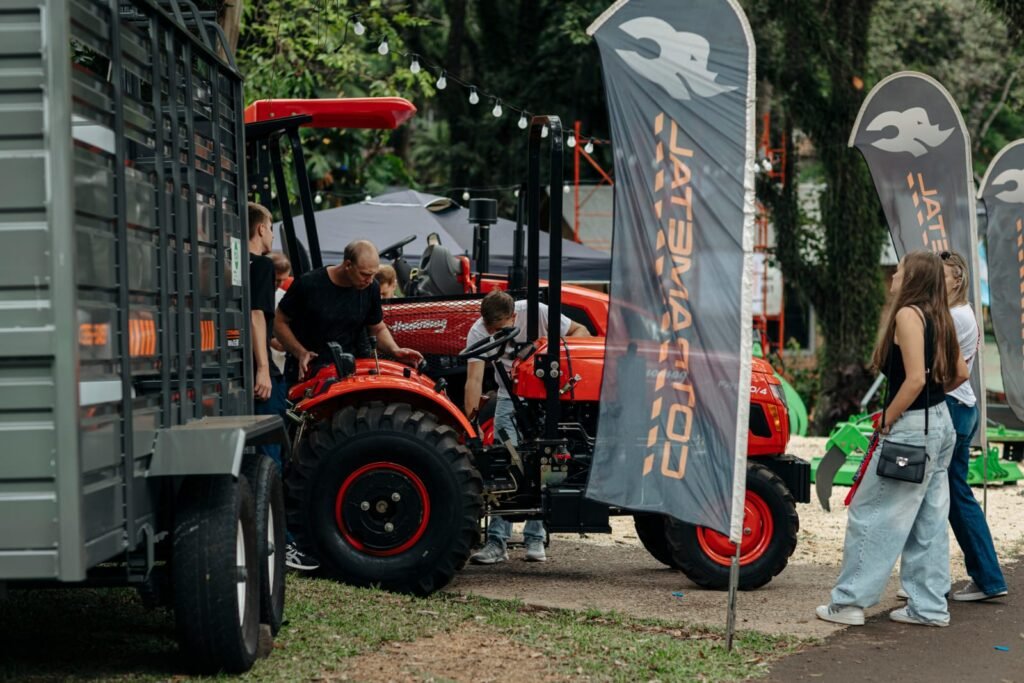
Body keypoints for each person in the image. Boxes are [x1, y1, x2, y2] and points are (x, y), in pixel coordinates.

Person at [817, 250, 967, 628]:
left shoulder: (908, 315)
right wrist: (932, 400)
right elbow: (960, 373)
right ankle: (929, 607)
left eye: (899, 271)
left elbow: (914, 379)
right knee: (929, 521)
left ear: (912, 277)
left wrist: (888, 417)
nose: (894, 277)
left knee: (871, 513)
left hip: (912, 428)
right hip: (941, 424)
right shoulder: (941, 316)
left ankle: (849, 602)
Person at [464, 290, 590, 564]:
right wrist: (471, 423)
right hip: (508, 397)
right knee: (505, 462)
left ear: (514, 316)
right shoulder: (478, 331)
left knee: (549, 460)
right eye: (489, 328)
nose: (492, 333)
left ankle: (536, 537)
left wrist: (554, 354)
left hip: (545, 397)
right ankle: (497, 541)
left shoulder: (538, 313)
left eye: (499, 329)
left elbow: (581, 331)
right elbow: (473, 380)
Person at [248, 205, 320, 572]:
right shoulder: (260, 266)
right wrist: (263, 368)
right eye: (272, 229)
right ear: (261, 229)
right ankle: (280, 544)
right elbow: (256, 316)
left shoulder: (231, 264)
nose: (273, 236)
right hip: (262, 377)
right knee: (272, 461)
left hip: (244, 370)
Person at [937, 250, 1008, 600]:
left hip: (953, 405)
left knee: (952, 496)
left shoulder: (953, 316)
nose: (936, 280)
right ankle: (985, 577)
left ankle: (987, 577)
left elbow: (951, 370)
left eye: (942, 274)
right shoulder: (961, 313)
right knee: (951, 495)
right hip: (961, 405)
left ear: (958, 280)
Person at [275, 240, 423, 384]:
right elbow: (279, 321)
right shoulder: (308, 284)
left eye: (373, 274)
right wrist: (300, 352)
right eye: (365, 274)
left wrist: (395, 350)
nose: (370, 280)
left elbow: (377, 328)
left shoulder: (371, 287)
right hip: (309, 371)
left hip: (351, 370)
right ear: (347, 265)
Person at [269, 251, 292, 375]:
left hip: (279, 363)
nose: (280, 284)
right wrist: (270, 341)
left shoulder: (283, 297)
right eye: (277, 280)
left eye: (284, 280)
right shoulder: (248, 297)